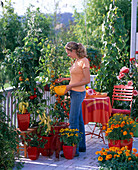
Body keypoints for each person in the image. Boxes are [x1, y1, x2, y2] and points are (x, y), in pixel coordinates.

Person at [56, 41, 90, 157]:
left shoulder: (84, 61)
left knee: (73, 120)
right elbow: (75, 77)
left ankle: (73, 150)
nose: (68, 55)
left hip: (78, 93)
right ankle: (81, 146)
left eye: (68, 52)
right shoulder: (76, 61)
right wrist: (65, 79)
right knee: (79, 121)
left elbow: (86, 80)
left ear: (74, 51)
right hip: (74, 92)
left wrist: (70, 86)